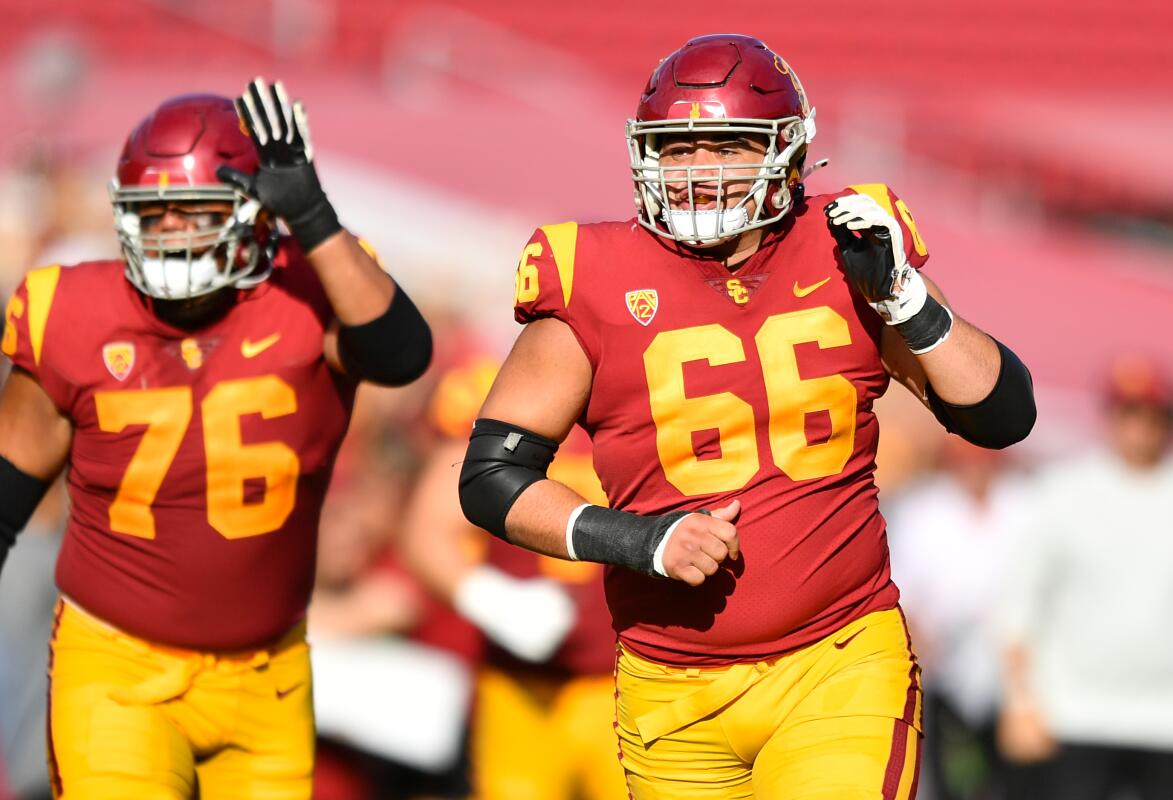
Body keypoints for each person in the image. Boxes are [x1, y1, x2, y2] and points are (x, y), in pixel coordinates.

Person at [457, 33, 1036, 799]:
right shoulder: (592, 275)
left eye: (724, 146)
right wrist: (636, 539)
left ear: (786, 154)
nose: (697, 171)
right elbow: (493, 477)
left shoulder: (847, 248)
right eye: (677, 148)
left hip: (838, 659)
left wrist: (908, 300)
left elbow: (1002, 415)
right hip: (671, 687)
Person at [0, 79, 432, 798]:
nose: (173, 231)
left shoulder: (311, 286)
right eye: (152, 213)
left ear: (257, 215)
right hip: (116, 666)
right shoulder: (68, 310)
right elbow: (7, 492)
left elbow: (402, 354)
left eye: (195, 210)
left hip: (268, 673)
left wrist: (315, 219)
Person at [402, 355, 627, 800]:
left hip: (636, 677)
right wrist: (494, 600)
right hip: (519, 687)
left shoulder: (651, 374)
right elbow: (428, 530)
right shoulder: (491, 388)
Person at [998, 356, 1173, 800]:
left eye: (1152, 414)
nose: (1140, 426)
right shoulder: (1063, 491)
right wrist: (1019, 702)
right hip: (1075, 713)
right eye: (1129, 412)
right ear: (1111, 417)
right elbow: (1018, 602)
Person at [887, 440, 1031, 799]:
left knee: (1014, 780)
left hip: (1016, 672)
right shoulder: (923, 509)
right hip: (945, 669)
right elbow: (905, 587)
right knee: (951, 776)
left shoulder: (1025, 504)